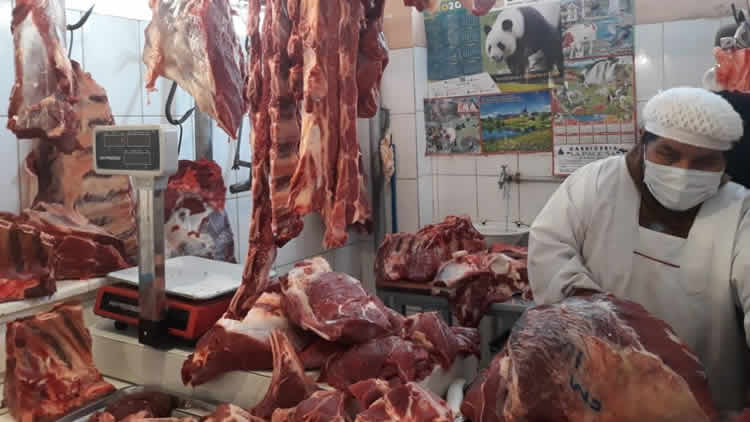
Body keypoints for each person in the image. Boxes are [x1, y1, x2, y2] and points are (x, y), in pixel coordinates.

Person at [528, 87, 750, 413]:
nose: (684, 172)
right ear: (643, 142)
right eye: (669, 155)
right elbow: (549, 246)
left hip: (701, 404)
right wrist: (594, 312)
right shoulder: (597, 182)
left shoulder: (740, 209)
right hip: (596, 388)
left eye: (704, 162)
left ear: (723, 160)